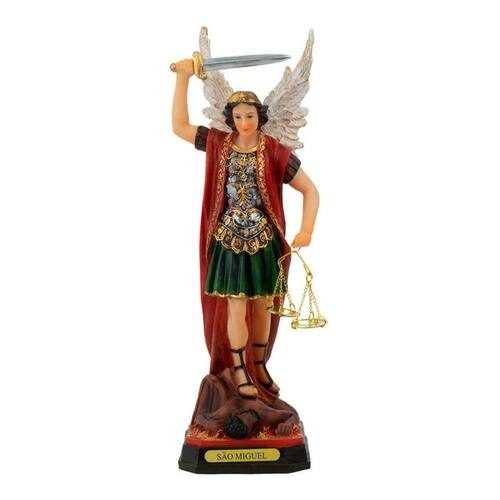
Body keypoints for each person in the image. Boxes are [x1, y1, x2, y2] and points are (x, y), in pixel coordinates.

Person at [172, 58, 319, 403]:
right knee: (236, 305)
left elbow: (310, 190)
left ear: (260, 117)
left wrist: (307, 229)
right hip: (228, 240)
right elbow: (179, 127)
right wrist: (183, 79)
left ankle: (259, 363)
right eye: (237, 117)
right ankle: (238, 368)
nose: (244, 123)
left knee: (265, 305)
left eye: (249, 116)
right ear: (230, 119)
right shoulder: (218, 143)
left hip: (264, 240)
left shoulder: (274, 152)